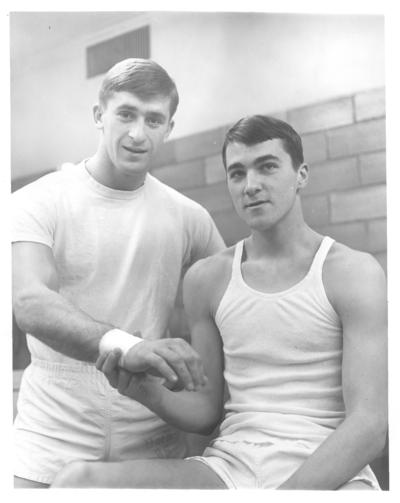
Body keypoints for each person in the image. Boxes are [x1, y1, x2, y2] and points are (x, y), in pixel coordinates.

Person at [52, 115, 387, 490]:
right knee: (75, 482)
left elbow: (370, 424)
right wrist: (140, 389)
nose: (251, 185)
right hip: (231, 468)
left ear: (301, 175)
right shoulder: (206, 279)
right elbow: (205, 411)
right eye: (237, 173)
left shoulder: (353, 272)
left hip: (329, 473)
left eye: (267, 167)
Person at [11, 58, 225, 488]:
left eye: (153, 119)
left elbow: (238, 301)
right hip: (52, 429)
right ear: (99, 115)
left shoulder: (189, 216)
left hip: (150, 430)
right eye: (125, 113)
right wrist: (128, 347)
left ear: (169, 128)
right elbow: (30, 302)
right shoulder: (36, 200)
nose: (137, 133)